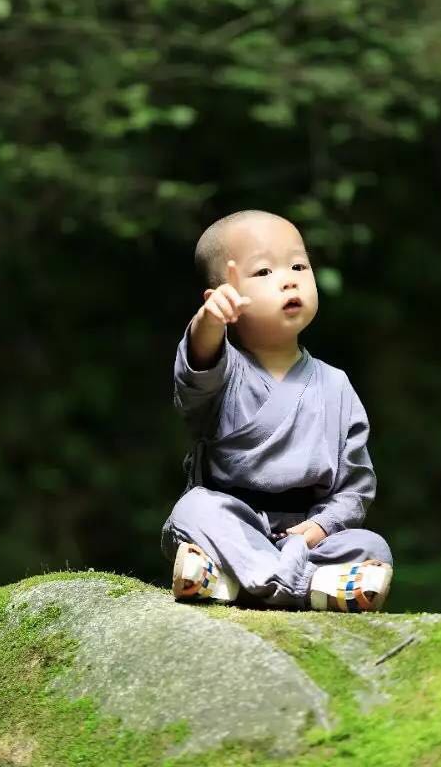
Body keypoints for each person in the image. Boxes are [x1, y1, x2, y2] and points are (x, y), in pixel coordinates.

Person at [161, 210, 393, 612]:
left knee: (372, 547)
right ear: (220, 296)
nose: (289, 279)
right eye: (264, 271)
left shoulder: (335, 385)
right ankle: (303, 586)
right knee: (194, 509)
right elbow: (197, 367)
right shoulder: (223, 372)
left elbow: (355, 485)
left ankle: (230, 581)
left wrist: (319, 527)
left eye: (299, 266)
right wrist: (208, 323)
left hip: (304, 538)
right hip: (231, 524)